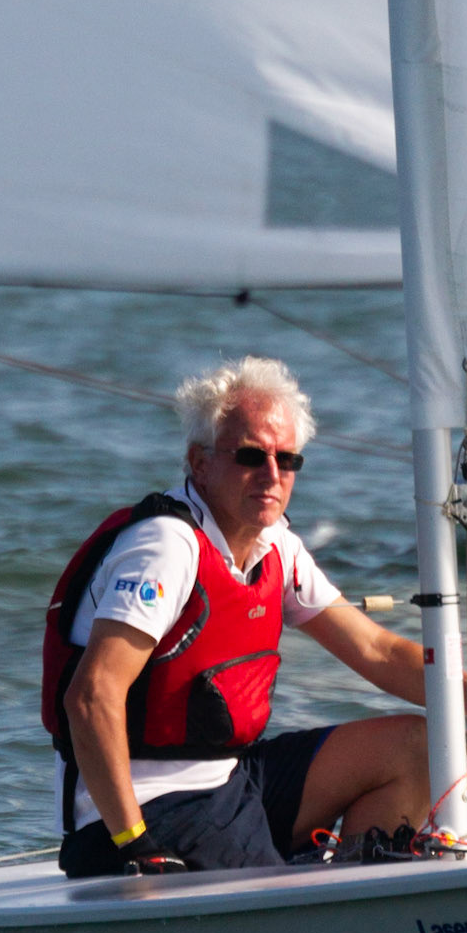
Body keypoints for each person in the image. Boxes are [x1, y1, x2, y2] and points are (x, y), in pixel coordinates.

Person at [43, 356, 433, 878]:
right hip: (143, 811)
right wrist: (133, 842)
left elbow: (377, 651)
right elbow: (92, 696)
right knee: (279, 886)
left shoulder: (277, 546)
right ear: (199, 463)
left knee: (419, 749)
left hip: (230, 781)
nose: (272, 475)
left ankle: (363, 895)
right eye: (251, 456)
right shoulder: (167, 547)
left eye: (287, 460)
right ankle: (324, 910)